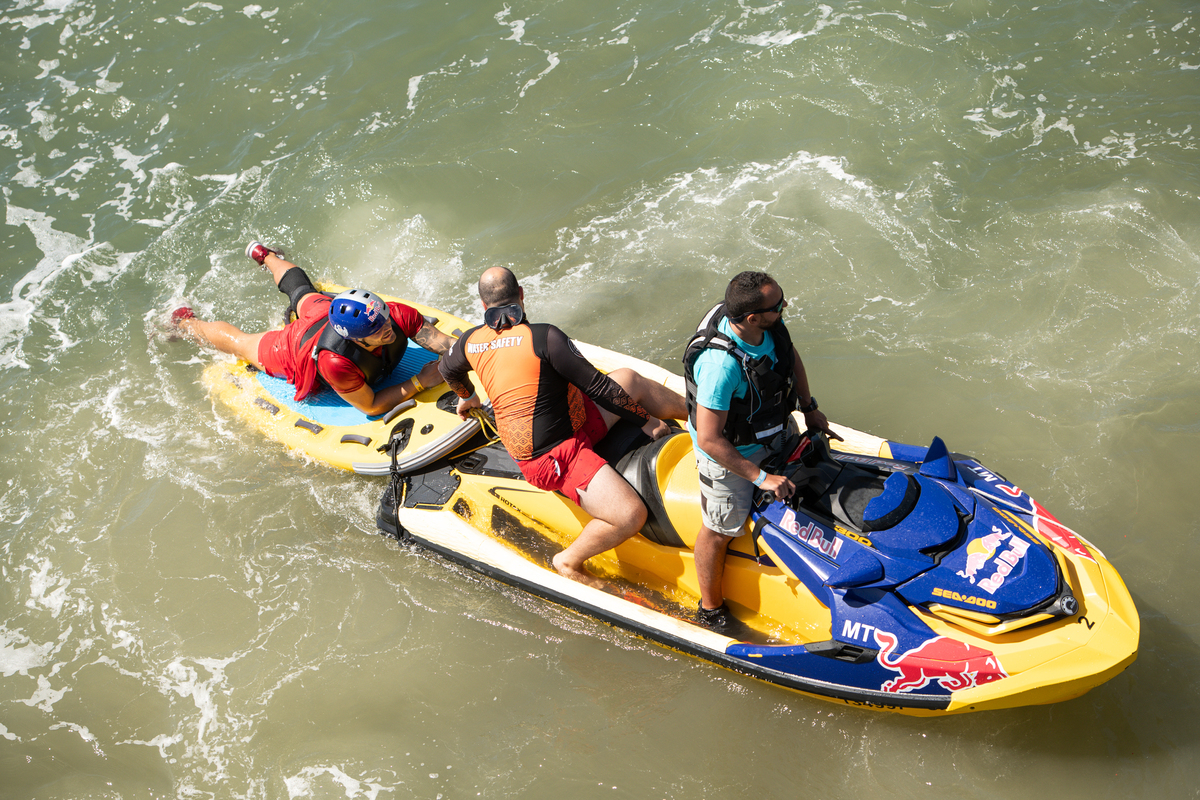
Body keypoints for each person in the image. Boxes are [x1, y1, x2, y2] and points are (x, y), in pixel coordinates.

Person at [439, 267, 688, 589]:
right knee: (629, 515)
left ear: (483, 306)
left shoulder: (471, 340)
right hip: (550, 455)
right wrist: (649, 422)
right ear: (522, 295)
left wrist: (468, 397)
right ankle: (569, 561)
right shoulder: (544, 336)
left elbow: (447, 369)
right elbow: (598, 386)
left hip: (574, 421)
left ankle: (703, 419)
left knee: (629, 379)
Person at [684, 271, 841, 633]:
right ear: (752, 318)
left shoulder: (768, 327)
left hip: (776, 429)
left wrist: (808, 406)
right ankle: (709, 609)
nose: (784, 307)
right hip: (731, 453)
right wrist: (761, 478)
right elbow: (710, 439)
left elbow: (789, 357)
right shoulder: (720, 367)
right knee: (719, 531)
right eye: (778, 305)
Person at [172, 242, 455, 415]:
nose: (388, 329)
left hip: (322, 311)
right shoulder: (336, 361)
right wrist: (421, 381)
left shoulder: (395, 315)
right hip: (297, 346)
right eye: (377, 328)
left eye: (384, 319)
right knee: (239, 343)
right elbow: (370, 405)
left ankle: (265, 255)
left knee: (302, 291)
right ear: (354, 338)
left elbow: (446, 345)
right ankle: (185, 322)